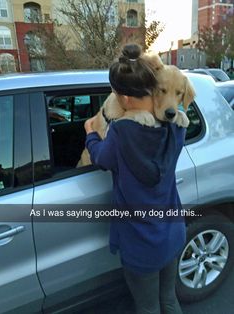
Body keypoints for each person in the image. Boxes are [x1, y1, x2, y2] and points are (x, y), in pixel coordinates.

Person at [84, 44, 185, 314]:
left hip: (142, 246)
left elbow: (101, 158)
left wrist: (91, 133)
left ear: (124, 99)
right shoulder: (176, 127)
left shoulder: (120, 133)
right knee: (170, 300)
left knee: (148, 308)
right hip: (173, 233)